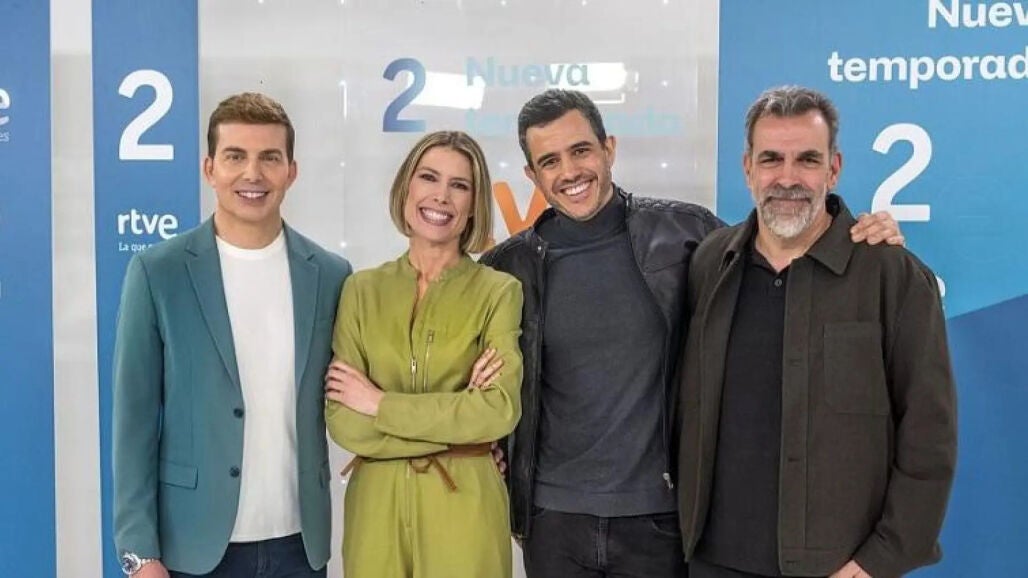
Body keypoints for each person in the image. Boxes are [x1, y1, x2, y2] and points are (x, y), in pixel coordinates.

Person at [479, 88, 905, 578]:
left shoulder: (685, 233)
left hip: (661, 519)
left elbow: (785, 255)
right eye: (550, 161)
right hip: (552, 522)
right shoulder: (506, 267)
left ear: (609, 148)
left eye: (581, 151)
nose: (570, 172)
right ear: (532, 175)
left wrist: (859, 235)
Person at [676, 85, 957, 578]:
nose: (788, 178)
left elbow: (929, 436)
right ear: (747, 168)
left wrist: (879, 560)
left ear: (834, 168)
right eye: (771, 159)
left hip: (837, 568)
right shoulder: (709, 264)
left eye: (807, 159)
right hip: (711, 561)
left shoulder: (892, 276)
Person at [112, 92, 351, 577]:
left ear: (291, 171)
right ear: (209, 168)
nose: (252, 174)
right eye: (235, 156)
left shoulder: (331, 275)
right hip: (192, 549)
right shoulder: (158, 272)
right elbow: (133, 421)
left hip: (299, 549)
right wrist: (139, 555)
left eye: (270, 158)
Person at [324, 130, 523, 578]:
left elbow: (497, 411)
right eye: (429, 177)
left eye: (459, 185)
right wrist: (459, 428)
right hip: (375, 512)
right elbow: (345, 422)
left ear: (473, 204)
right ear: (406, 188)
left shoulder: (498, 291)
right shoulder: (360, 290)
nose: (441, 196)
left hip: (466, 511)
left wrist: (378, 403)